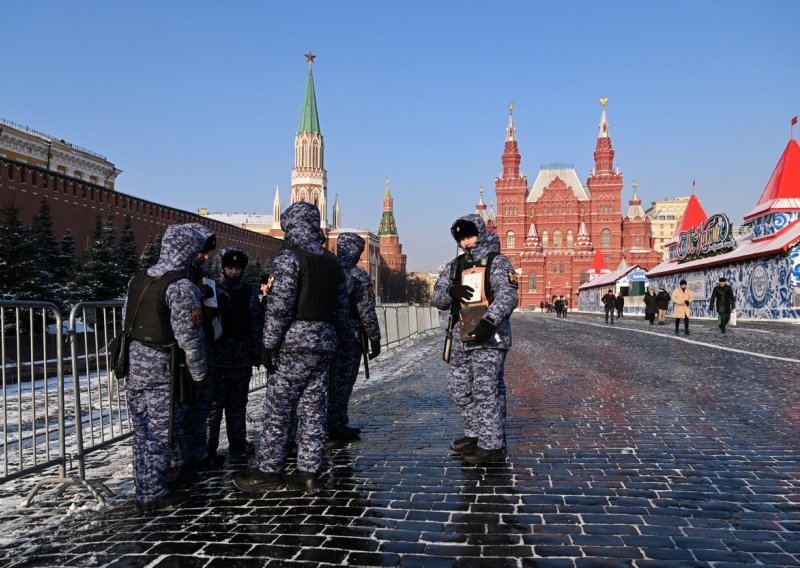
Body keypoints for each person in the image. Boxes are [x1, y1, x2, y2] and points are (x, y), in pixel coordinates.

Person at [233, 202, 348, 495]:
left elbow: (280, 306)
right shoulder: (332, 261)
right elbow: (342, 307)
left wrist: (269, 344)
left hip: (294, 344)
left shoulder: (291, 258)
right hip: (324, 342)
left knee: (279, 409)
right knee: (313, 409)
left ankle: (268, 471)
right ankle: (307, 472)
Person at [123, 223, 214, 513]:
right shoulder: (180, 286)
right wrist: (199, 375)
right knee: (162, 432)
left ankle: (145, 486)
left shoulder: (138, 278)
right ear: (187, 250)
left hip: (135, 366)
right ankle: (153, 495)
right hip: (163, 369)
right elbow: (190, 337)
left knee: (142, 431)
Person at [432, 214, 518, 464]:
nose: (466, 243)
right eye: (461, 239)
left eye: (469, 237)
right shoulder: (455, 265)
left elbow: (508, 295)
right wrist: (450, 291)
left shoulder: (498, 262)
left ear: (480, 233)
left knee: (485, 389)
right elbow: (436, 299)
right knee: (458, 388)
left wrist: (489, 321)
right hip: (462, 336)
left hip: (490, 336)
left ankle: (491, 445)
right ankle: (475, 433)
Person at [207, 247, 263, 463]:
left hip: (240, 355)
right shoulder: (211, 291)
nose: (233, 272)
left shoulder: (248, 293)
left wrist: (257, 352)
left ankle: (238, 443)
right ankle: (208, 448)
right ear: (222, 267)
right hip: (217, 356)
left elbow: (256, 323)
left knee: (237, 403)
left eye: (237, 268)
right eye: (229, 267)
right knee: (214, 405)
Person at [328, 232, 381, 441]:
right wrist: (374, 338)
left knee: (325, 384)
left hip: (325, 335)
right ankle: (337, 425)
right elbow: (366, 310)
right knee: (343, 383)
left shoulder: (327, 269)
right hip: (349, 337)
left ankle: (320, 424)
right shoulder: (357, 275)